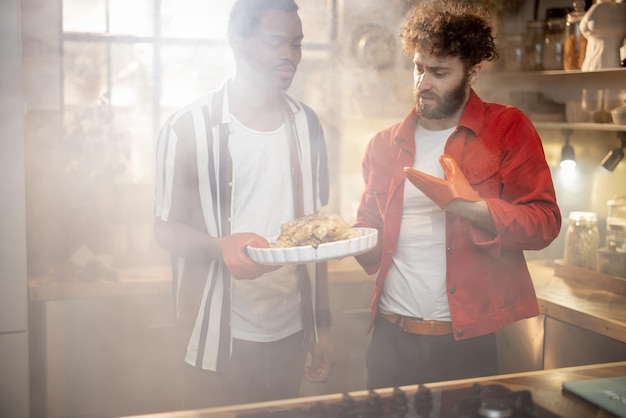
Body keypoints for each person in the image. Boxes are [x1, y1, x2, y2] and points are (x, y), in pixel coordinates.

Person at [353, 0, 561, 390]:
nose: (422, 84)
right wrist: (342, 237)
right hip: (390, 339)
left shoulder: (506, 129)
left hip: (464, 343)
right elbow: (369, 230)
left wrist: (471, 209)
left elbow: (545, 223)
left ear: (474, 72)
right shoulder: (383, 145)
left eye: (439, 72)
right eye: (418, 68)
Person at [153, 0, 333, 408]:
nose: (290, 55)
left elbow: (315, 233)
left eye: (297, 43)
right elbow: (163, 228)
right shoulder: (187, 128)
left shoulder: (308, 124)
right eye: (275, 42)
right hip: (215, 338)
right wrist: (220, 248)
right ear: (237, 42)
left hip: (289, 332)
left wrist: (322, 329)